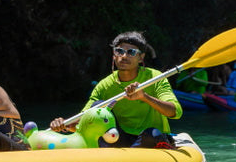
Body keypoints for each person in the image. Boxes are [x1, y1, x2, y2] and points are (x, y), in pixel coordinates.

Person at [50, 31, 180, 148]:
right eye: (119, 51)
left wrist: (144, 97)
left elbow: (175, 112)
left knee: (152, 134)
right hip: (118, 137)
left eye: (131, 52)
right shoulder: (105, 85)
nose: (124, 56)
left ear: (141, 58)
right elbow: (86, 116)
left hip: (149, 137)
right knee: (96, 106)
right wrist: (65, 124)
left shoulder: (155, 77)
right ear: (114, 55)